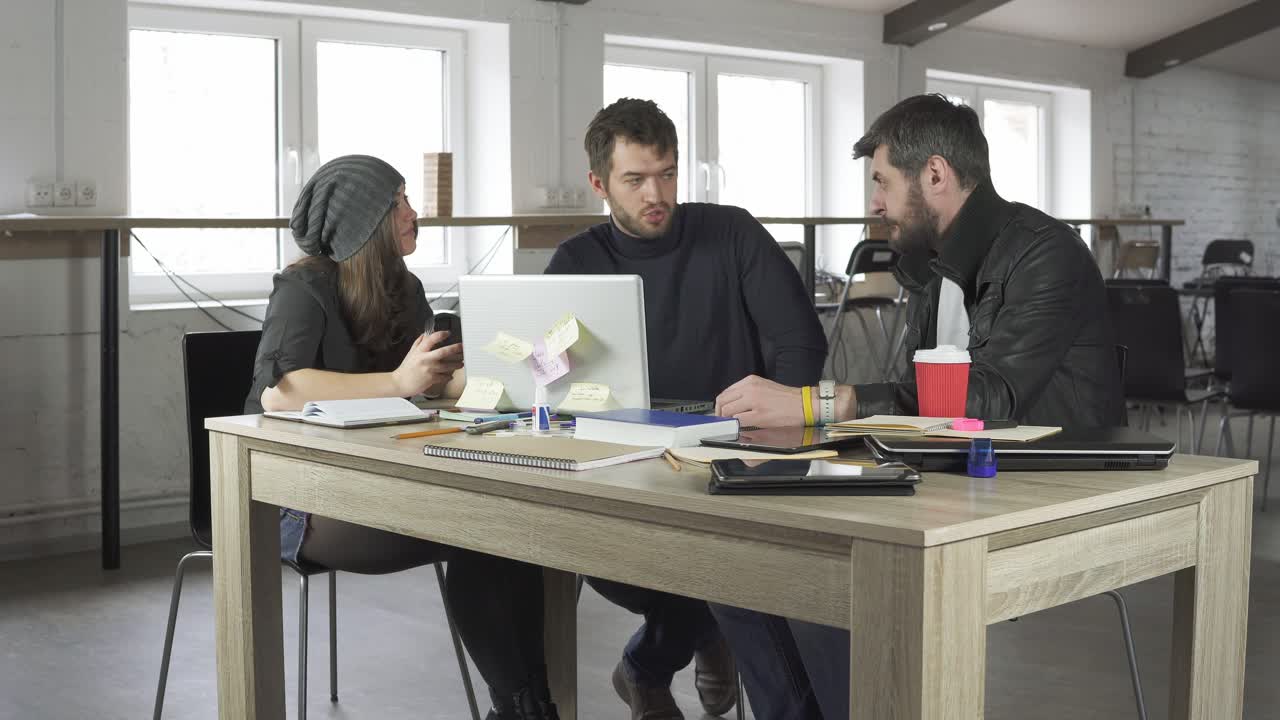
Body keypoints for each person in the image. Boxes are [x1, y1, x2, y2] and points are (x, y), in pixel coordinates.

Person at [710, 94, 1126, 718]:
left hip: (1047, 485)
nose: (873, 203)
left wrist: (823, 403)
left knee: (828, 583)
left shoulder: (1047, 254)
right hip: (954, 474)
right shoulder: (934, 266)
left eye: (882, 182)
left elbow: (988, 400)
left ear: (934, 175)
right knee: (739, 567)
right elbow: (916, 409)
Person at [244, 155, 559, 720]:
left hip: (379, 477)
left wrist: (522, 368)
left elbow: (428, 382)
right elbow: (280, 393)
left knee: (512, 530)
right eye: (398, 203)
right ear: (365, 221)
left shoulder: (403, 287)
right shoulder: (303, 286)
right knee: (479, 533)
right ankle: (522, 709)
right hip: (294, 500)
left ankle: (528, 707)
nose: (414, 213)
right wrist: (395, 381)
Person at [545, 99, 829, 720]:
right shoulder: (575, 262)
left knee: (732, 548)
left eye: (668, 174)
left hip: (736, 454)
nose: (657, 193)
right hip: (624, 466)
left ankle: (649, 664)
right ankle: (705, 634)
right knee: (690, 559)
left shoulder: (731, 232)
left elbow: (801, 341)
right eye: (636, 179)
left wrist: (784, 426)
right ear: (599, 183)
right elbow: (549, 386)